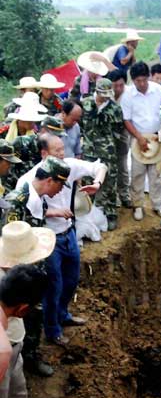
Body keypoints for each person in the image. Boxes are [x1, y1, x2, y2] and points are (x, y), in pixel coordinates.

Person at [17, 134, 107, 347]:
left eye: (62, 149)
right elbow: (29, 213)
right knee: (53, 286)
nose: (62, 153)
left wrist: (97, 183)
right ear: (44, 153)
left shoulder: (68, 166)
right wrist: (55, 212)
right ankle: (52, 330)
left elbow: (100, 166)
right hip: (49, 240)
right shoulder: (29, 182)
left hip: (69, 233)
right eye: (57, 150)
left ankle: (63, 314)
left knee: (72, 279)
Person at [0, 260, 52, 398]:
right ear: (22, 308)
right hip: (5, 353)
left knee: (17, 386)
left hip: (13, 348)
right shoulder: (1, 348)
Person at [121, 62, 161, 220]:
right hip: (137, 137)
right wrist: (139, 137)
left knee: (156, 174)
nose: (141, 84)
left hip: (155, 137)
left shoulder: (158, 90)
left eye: (143, 80)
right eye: (137, 81)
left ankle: (157, 204)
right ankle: (138, 205)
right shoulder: (128, 95)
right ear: (132, 80)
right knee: (137, 173)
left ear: (148, 77)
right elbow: (126, 119)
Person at [81, 78, 124, 231]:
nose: (106, 97)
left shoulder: (115, 109)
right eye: (103, 94)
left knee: (110, 182)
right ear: (97, 91)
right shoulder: (85, 103)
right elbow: (79, 123)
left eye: (108, 94)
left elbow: (119, 130)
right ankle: (87, 214)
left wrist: (110, 142)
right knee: (88, 182)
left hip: (107, 151)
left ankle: (111, 214)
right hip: (88, 151)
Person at [4, 156, 71, 227]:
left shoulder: (40, 198)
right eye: (61, 185)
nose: (61, 189)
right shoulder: (16, 202)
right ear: (49, 181)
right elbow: (8, 235)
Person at [106, 70, 131, 208]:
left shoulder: (129, 95)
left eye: (121, 85)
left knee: (122, 166)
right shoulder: (104, 94)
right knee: (109, 168)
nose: (118, 89)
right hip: (106, 138)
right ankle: (112, 196)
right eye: (115, 86)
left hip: (122, 135)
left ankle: (124, 194)